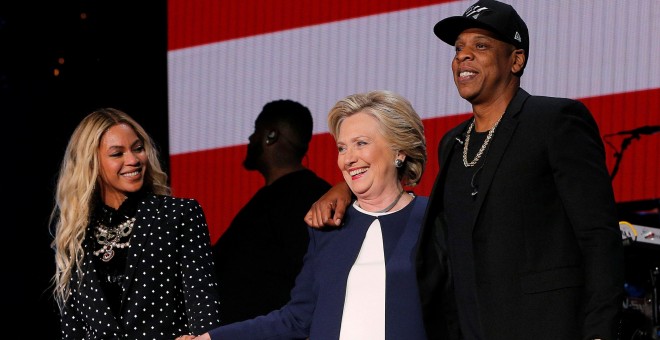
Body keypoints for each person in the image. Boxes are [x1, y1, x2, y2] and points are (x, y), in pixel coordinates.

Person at [304, 1, 625, 339]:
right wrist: (344, 188)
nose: (463, 56)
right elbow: (404, 191)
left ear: (516, 59)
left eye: (480, 46)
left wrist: (600, 332)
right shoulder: (453, 143)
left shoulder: (554, 121)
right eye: (459, 48)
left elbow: (599, 237)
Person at [180, 90, 430, 339]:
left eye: (361, 143)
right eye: (342, 148)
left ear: (399, 150)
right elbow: (296, 319)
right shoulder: (329, 226)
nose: (348, 159)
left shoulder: (432, 219)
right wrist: (211, 338)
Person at [50, 108, 221, 339]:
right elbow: (73, 329)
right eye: (117, 153)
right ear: (91, 163)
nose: (133, 160)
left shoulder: (178, 215)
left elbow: (204, 305)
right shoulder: (75, 235)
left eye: (138, 149)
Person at [211, 99, 331, 324]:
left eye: (256, 130)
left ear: (271, 136)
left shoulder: (309, 198)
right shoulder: (275, 197)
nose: (250, 139)